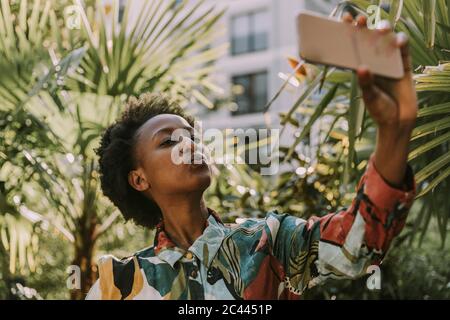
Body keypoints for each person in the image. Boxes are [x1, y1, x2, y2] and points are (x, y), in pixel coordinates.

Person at [85, 15, 417, 300]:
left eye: (192, 135)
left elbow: (355, 248)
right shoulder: (116, 284)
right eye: (169, 141)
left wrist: (394, 132)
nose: (188, 144)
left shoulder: (269, 242)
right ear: (139, 179)